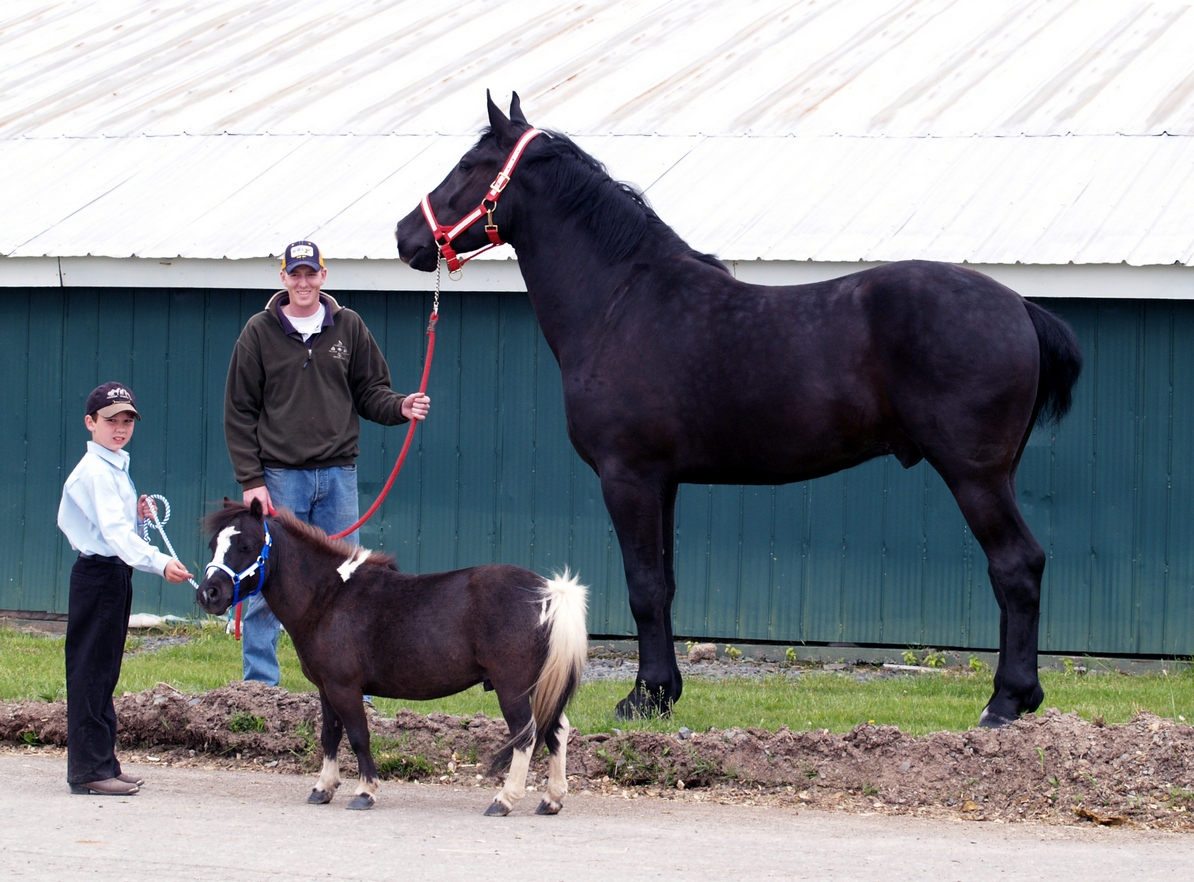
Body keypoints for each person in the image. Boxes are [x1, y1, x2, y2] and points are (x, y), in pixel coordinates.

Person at [224, 240, 430, 686]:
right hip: (280, 479)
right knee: (266, 579)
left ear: (323, 276)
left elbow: (371, 391)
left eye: (310, 274)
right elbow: (239, 412)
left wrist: (400, 407)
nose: (303, 282)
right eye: (295, 274)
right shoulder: (258, 333)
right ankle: (260, 686)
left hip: (339, 476)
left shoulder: (349, 327)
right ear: (283, 278)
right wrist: (251, 479)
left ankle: (357, 685)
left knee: (349, 581)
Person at [57, 382, 194, 795]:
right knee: (90, 672)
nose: (120, 428)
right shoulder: (96, 472)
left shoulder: (114, 465)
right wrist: (160, 561)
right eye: (110, 420)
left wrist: (138, 515)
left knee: (104, 672)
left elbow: (115, 525)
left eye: (127, 421)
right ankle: (88, 771)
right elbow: (114, 537)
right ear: (90, 422)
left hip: (113, 575)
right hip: (99, 575)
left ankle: (103, 763)